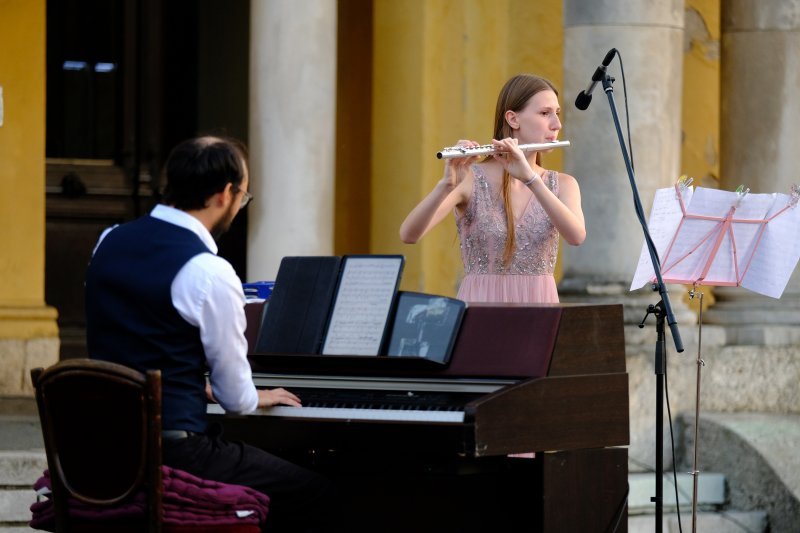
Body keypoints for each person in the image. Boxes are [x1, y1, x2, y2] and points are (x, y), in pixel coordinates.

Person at [85, 136, 337, 532]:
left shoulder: (108, 240)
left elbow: (133, 340)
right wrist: (256, 394)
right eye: (244, 195)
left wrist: (188, 383)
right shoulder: (209, 272)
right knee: (315, 492)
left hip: (103, 448)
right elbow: (236, 400)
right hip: (174, 452)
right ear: (225, 194)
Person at [400, 74, 586, 303]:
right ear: (513, 119)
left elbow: (576, 236)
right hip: (482, 311)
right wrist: (446, 185)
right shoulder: (471, 180)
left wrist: (530, 178)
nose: (556, 124)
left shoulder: (564, 184)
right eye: (545, 113)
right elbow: (409, 234)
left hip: (539, 312)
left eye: (556, 113)